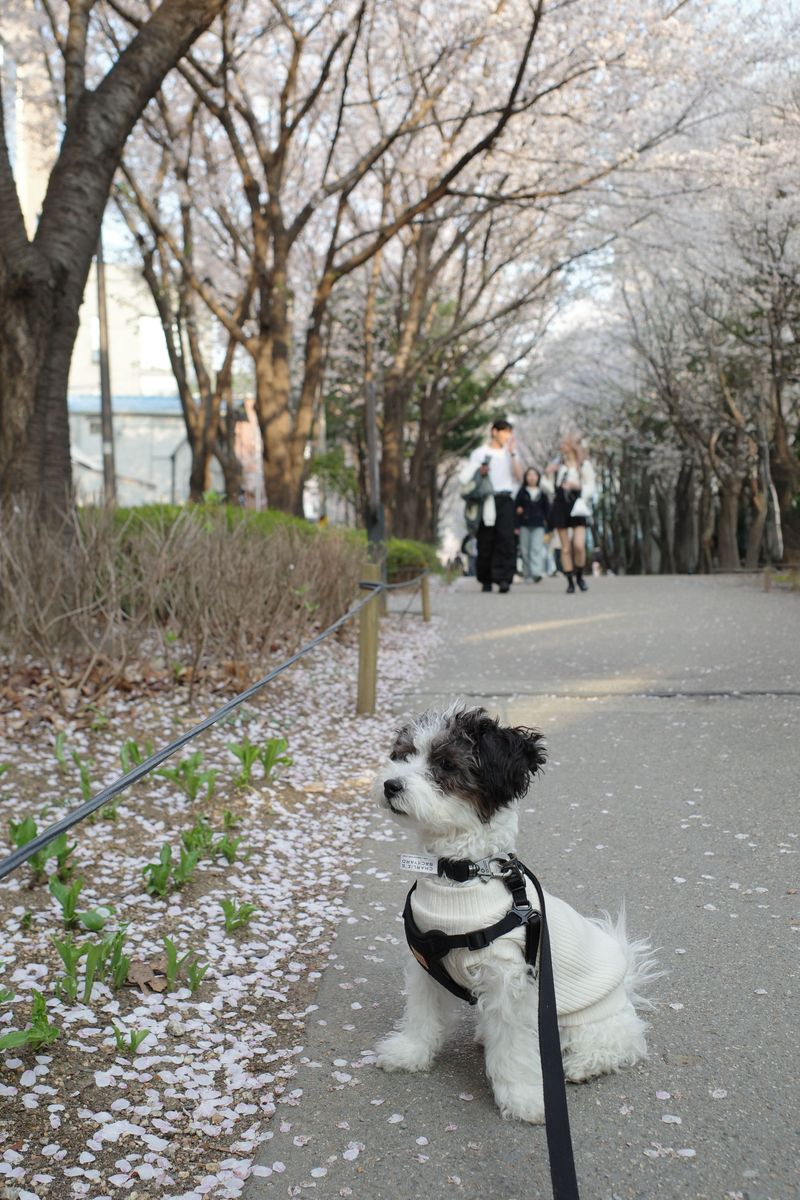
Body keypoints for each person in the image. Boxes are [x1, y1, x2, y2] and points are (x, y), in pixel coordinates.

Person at [459, 419, 524, 592]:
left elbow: (519, 476)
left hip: (506, 498)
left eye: (509, 433)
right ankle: (486, 579)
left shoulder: (510, 453)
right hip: (485, 499)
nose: (507, 436)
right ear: (494, 431)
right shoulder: (479, 453)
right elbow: (469, 477)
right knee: (486, 539)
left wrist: (512, 454)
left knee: (506, 539)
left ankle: (504, 579)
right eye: (504, 432)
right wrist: (479, 472)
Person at [545, 434, 596, 594]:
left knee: (579, 545)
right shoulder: (558, 465)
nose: (562, 446)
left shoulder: (583, 465)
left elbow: (590, 486)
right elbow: (549, 489)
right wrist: (547, 475)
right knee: (565, 548)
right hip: (560, 504)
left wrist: (577, 486)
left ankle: (579, 575)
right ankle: (569, 581)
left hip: (577, 505)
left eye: (565, 443)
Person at [514, 467, 550, 582]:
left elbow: (547, 510)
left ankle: (536, 572)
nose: (532, 477)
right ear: (526, 477)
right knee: (525, 550)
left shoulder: (542, 493)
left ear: (538, 477)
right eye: (529, 475)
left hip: (538, 524)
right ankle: (527, 574)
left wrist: (548, 526)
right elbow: (516, 509)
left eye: (534, 475)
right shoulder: (521, 492)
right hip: (524, 524)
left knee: (536, 549)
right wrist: (516, 525)